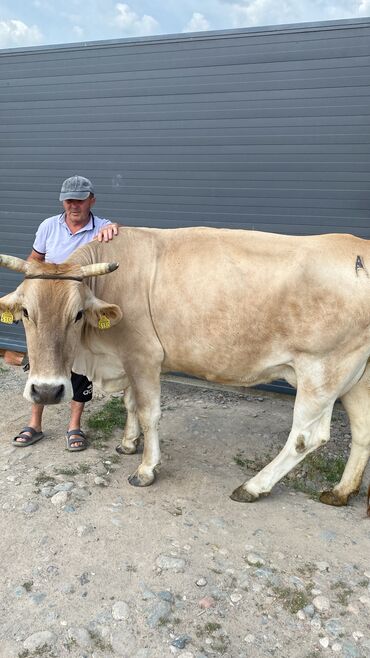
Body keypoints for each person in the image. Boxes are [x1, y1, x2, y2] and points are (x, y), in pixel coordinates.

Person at [13, 175, 119, 451]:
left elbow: (120, 243)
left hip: (75, 306)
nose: (74, 205)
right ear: (63, 201)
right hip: (48, 305)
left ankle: (74, 426)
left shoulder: (103, 228)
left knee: (80, 365)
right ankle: (34, 424)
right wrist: (27, 291)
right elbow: (34, 260)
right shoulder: (49, 226)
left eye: (80, 199)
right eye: (69, 200)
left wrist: (113, 230)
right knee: (41, 357)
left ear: (91, 200)